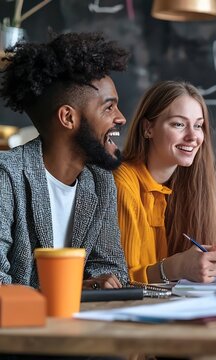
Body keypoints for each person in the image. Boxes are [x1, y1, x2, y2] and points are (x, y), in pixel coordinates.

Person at [0, 32, 129, 289]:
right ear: (68, 118)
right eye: (108, 107)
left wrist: (100, 283)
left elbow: (112, 269)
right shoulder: (7, 177)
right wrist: (69, 290)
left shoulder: (100, 183)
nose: (121, 118)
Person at [115, 80, 216, 283]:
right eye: (178, 124)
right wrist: (176, 267)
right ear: (148, 129)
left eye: (198, 125)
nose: (193, 136)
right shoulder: (122, 183)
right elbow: (118, 280)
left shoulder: (184, 186)